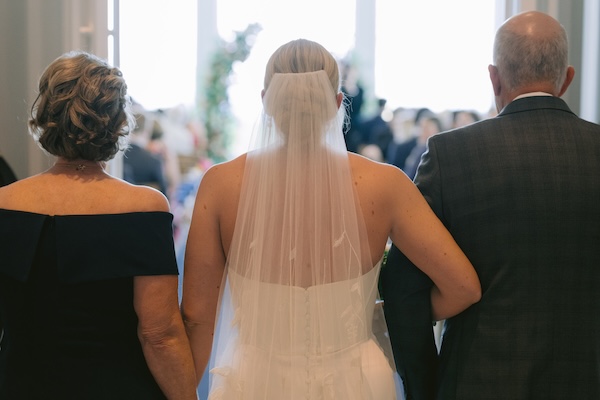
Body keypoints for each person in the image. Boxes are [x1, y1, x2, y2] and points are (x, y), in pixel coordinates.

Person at [182, 38, 480, 399]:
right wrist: (389, 318)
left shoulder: (221, 184)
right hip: (356, 381)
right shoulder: (384, 184)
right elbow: (463, 287)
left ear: (266, 101)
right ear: (337, 103)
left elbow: (197, 317)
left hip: (252, 380)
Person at [381, 11, 600, 400]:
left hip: (477, 383)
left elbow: (404, 291)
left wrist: (425, 385)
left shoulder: (450, 155)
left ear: (494, 78)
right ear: (566, 79)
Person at [0, 51, 197, 399]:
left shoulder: (4, 203)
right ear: (118, 122)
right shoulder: (145, 208)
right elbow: (159, 334)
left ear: (46, 118)